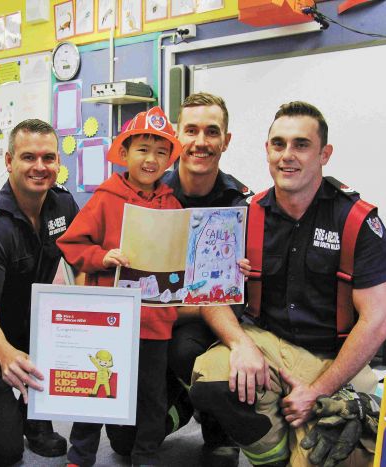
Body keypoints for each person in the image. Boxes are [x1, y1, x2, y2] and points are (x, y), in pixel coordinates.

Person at [189, 101, 386, 466]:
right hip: (266, 343)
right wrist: (240, 344)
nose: (287, 156)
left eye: (301, 145)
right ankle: (272, 457)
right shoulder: (242, 216)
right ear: (267, 150)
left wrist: (317, 391)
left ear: (324, 154)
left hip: (333, 359)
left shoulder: (357, 222)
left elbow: (378, 320)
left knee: (334, 453)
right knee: (212, 379)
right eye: (278, 144)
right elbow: (210, 294)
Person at [57, 106, 184, 467]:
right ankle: (80, 456)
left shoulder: (173, 204)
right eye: (143, 149)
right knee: (96, 389)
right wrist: (102, 257)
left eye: (162, 152)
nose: (151, 159)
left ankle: (146, 456)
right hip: (108, 317)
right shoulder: (105, 197)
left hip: (155, 321)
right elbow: (71, 244)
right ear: (125, 154)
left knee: (151, 396)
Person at [0, 119, 79, 466]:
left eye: (49, 158)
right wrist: (6, 356)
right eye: (28, 157)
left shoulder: (64, 206)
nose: (40, 167)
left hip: (31, 330)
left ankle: (36, 419)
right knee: (3, 451)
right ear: (9, 162)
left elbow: (82, 262)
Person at [161, 92, 254, 466]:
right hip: (151, 318)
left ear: (225, 141)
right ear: (176, 135)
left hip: (203, 320)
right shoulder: (150, 192)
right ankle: (182, 402)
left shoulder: (241, 205)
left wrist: (250, 271)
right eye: (191, 130)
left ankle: (217, 423)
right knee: (125, 440)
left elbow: (242, 292)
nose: (201, 142)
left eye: (211, 132)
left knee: (185, 350)